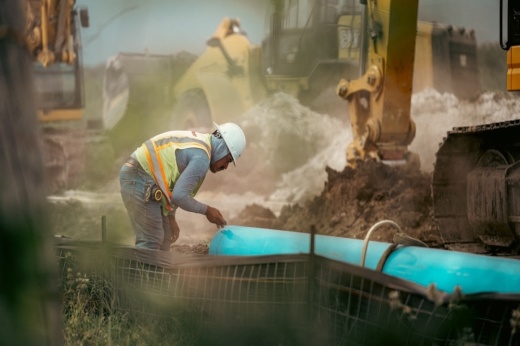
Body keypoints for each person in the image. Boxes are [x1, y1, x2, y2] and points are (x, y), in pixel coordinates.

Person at [119, 122, 246, 251]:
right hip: (138, 176)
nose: (225, 167)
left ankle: (152, 271)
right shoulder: (201, 158)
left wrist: (171, 216)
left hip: (140, 176)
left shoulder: (200, 144)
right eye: (228, 160)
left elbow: (172, 183)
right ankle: (139, 271)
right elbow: (179, 196)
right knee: (151, 240)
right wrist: (207, 211)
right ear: (222, 148)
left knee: (165, 237)